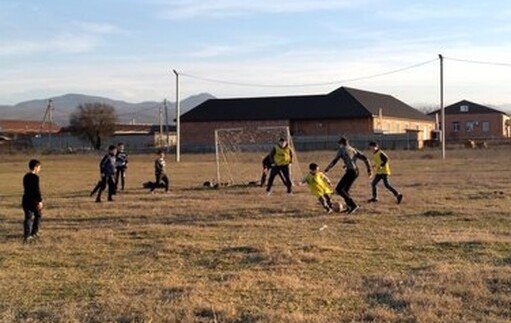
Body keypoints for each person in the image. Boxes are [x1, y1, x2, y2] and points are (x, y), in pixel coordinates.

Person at [324, 137, 372, 214]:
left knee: (339, 189)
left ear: (341, 144)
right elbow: (365, 159)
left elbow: (335, 161)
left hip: (351, 172)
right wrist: (369, 170)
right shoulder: (353, 149)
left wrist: (327, 169)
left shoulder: (342, 150)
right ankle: (349, 206)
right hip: (356, 171)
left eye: (339, 144)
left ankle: (353, 205)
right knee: (345, 190)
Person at [22, 159, 43, 242]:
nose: (39, 169)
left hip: (25, 199)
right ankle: (34, 232)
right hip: (33, 200)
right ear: (35, 167)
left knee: (28, 217)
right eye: (39, 167)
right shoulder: (35, 177)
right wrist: (40, 201)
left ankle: (27, 235)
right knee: (38, 215)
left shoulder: (25, 176)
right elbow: (36, 190)